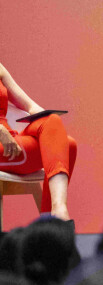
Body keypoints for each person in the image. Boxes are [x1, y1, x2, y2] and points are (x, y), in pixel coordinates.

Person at [0, 63, 76, 220]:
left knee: (64, 139)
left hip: (12, 142)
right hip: (4, 145)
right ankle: (53, 222)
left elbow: (30, 106)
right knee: (67, 146)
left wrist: (52, 125)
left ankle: (57, 211)